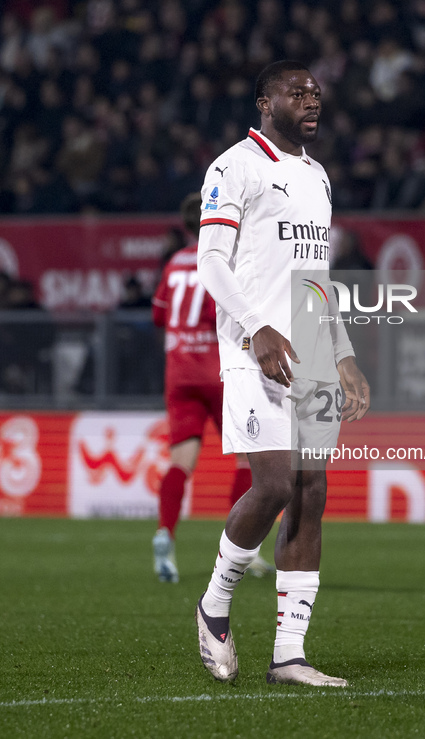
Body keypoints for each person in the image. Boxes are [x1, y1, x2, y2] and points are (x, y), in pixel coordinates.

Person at [194, 60, 370, 687]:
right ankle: (214, 605)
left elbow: (315, 278)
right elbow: (210, 264)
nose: (310, 100)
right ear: (265, 102)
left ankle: (289, 656)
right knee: (272, 484)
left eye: (316, 93)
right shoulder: (233, 166)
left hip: (312, 352)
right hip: (252, 347)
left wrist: (343, 352)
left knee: (311, 492)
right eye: (297, 93)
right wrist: (253, 327)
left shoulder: (318, 177)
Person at [151, 193, 273, 583]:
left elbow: (158, 314)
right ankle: (246, 551)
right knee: (246, 462)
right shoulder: (219, 262)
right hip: (218, 373)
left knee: (180, 462)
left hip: (179, 373)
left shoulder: (173, 263)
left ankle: (164, 534)